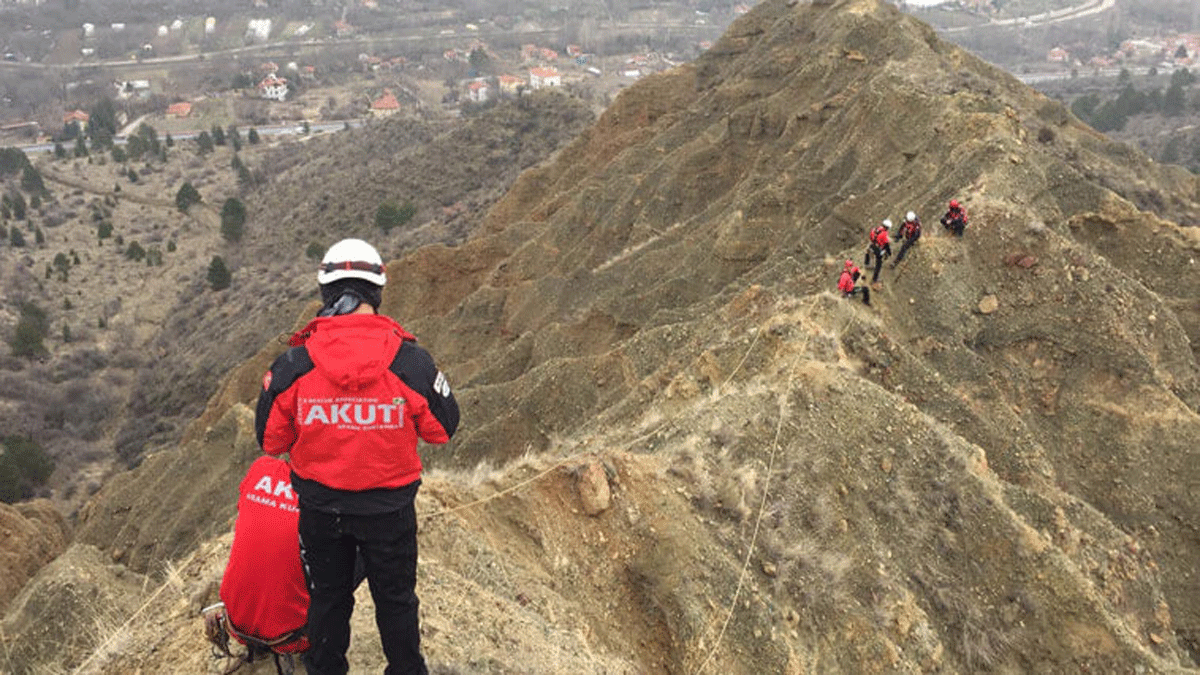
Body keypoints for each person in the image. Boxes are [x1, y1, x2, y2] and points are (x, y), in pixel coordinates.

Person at [255, 238, 460, 675]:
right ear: (378, 292)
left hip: (320, 509)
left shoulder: (294, 366)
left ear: (326, 292)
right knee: (397, 600)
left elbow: (270, 442)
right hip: (389, 509)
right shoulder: (411, 363)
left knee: (328, 599)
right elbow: (443, 429)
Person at [209, 456, 310, 673]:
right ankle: (317, 648)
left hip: (236, 622)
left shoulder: (261, 467)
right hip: (290, 636)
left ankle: (261, 641)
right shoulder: (325, 487)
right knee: (359, 549)